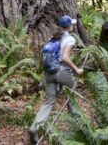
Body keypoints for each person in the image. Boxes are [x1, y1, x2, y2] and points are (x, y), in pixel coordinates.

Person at [29, 15, 84, 143]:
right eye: (72, 24)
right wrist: (76, 70)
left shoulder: (54, 38)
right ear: (69, 26)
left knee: (49, 103)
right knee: (72, 101)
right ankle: (79, 130)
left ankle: (35, 127)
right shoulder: (70, 39)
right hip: (63, 73)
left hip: (49, 74)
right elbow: (65, 58)